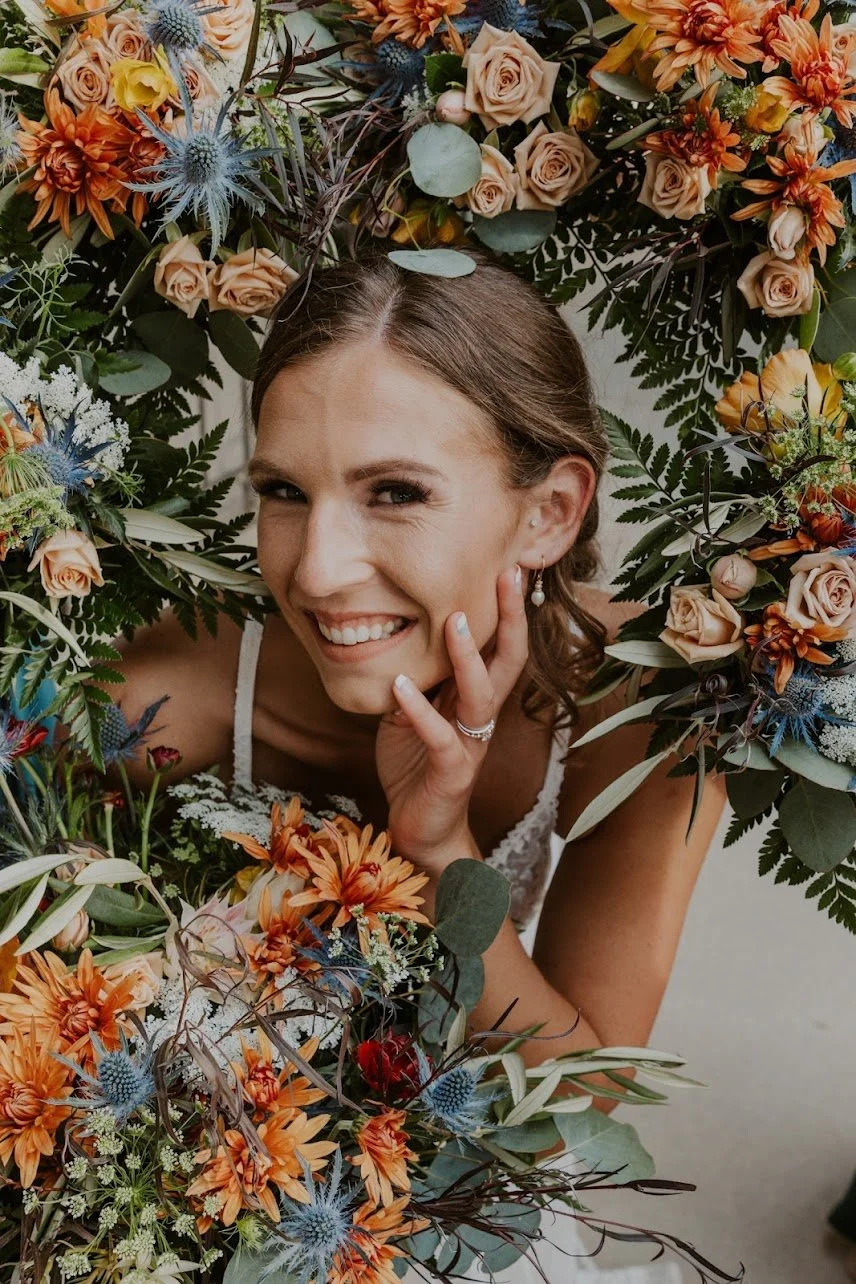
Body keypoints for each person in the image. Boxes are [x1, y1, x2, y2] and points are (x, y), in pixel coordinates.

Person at [107, 247, 726, 1280]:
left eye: (394, 491)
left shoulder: (640, 707)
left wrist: (439, 844)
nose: (317, 568)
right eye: (283, 490)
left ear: (549, 513)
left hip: (469, 1176)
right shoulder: (167, 696)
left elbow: (581, 1098)